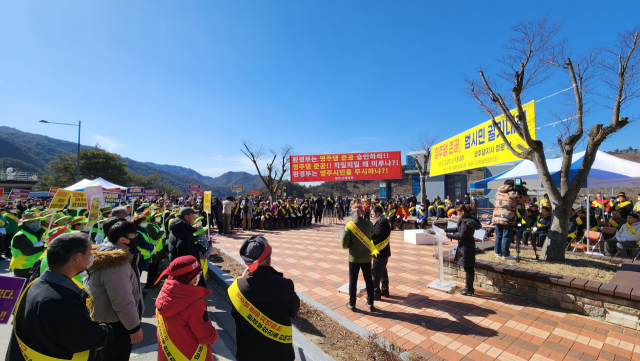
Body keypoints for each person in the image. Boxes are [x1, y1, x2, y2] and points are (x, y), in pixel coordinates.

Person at [6, 232, 113, 360]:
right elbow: (84, 339)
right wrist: (106, 331)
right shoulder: (60, 299)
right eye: (90, 252)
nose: (92, 256)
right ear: (78, 257)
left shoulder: (36, 284)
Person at [230, 236, 300, 361]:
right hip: (280, 355)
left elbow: (235, 315)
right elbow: (294, 311)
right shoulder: (285, 285)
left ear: (247, 262)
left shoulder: (237, 288)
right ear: (269, 259)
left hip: (248, 355)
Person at [84, 221, 144, 361]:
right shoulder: (116, 264)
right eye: (133, 235)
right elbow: (122, 300)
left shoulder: (104, 253)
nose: (137, 238)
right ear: (122, 239)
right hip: (116, 325)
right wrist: (134, 327)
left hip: (102, 321)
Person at [155, 255, 219, 361]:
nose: (199, 276)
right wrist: (214, 334)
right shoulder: (193, 304)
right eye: (197, 273)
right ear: (189, 277)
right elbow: (207, 336)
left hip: (168, 356)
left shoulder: (165, 293)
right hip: (193, 355)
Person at [342, 205, 376, 311]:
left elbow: (344, 245)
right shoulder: (369, 224)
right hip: (366, 257)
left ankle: (352, 303)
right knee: (369, 280)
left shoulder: (349, 226)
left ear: (353, 213)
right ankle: (370, 303)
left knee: (353, 281)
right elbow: (372, 233)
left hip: (354, 258)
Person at [445, 204, 482, 296]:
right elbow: (457, 229)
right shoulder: (468, 220)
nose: (457, 213)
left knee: (468, 268)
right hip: (469, 245)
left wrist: (448, 235)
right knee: (469, 267)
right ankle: (469, 288)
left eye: (458, 212)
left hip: (466, 246)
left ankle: (468, 289)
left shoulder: (465, 222)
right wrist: (446, 230)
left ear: (463, 212)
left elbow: (461, 236)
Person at [492, 179, 529, 260]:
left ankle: (497, 252)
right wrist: (523, 192)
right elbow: (526, 200)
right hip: (508, 218)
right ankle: (506, 254)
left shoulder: (498, 193)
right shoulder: (514, 193)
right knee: (506, 236)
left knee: (498, 236)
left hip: (497, 217)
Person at [9, 211, 45, 280]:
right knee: (24, 289)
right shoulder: (20, 236)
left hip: (37, 265)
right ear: (26, 222)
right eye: (34, 221)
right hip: (24, 269)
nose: (37, 222)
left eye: (38, 220)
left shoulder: (39, 232)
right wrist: (43, 246)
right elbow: (28, 251)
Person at [371, 205, 391, 300]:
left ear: (378, 213)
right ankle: (385, 290)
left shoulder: (382, 222)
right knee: (382, 271)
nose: (371, 216)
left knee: (375, 273)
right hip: (381, 252)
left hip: (380, 252)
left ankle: (376, 292)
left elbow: (378, 236)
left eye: (372, 214)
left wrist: (368, 236)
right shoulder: (380, 221)